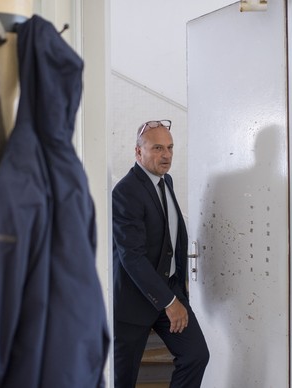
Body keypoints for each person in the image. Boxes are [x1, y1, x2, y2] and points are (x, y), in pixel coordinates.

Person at [112, 119, 209, 387]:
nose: (166, 155)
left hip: (169, 291)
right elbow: (131, 256)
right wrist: (169, 302)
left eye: (169, 147)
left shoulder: (166, 182)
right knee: (123, 379)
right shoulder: (125, 192)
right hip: (133, 301)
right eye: (157, 148)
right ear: (138, 152)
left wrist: (177, 292)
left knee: (195, 355)